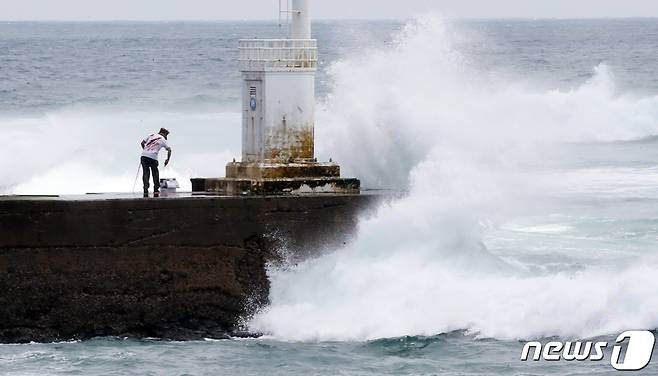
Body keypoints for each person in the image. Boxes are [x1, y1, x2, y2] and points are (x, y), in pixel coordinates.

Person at [140, 128, 172, 197]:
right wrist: (167, 160)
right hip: (153, 157)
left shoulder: (151, 135)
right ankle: (156, 189)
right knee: (155, 173)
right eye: (166, 135)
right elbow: (169, 150)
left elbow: (142, 143)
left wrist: (145, 151)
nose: (166, 137)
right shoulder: (163, 139)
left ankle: (145, 188)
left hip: (144, 156)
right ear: (164, 133)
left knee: (146, 172)